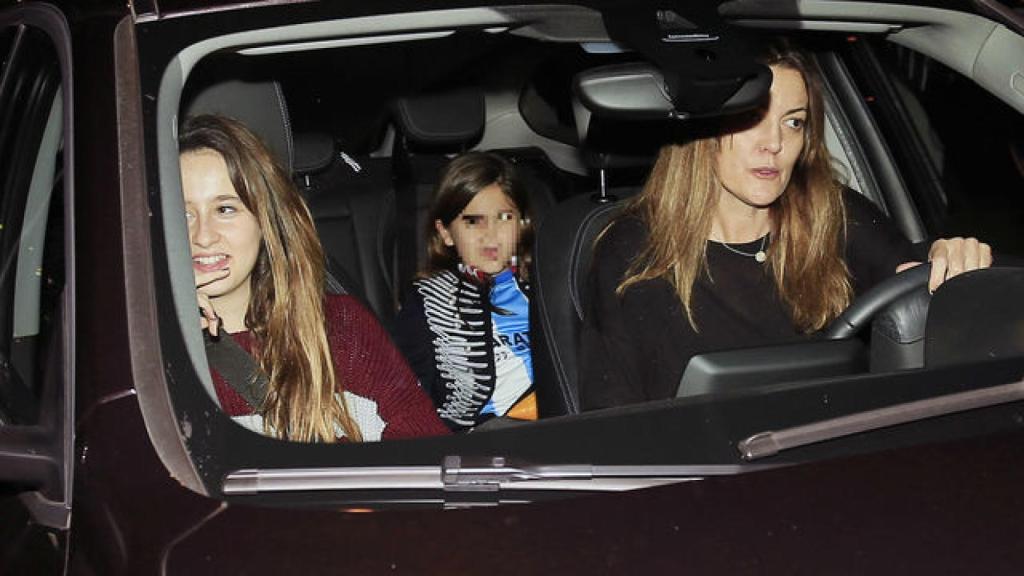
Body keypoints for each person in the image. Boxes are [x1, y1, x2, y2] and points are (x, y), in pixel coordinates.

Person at [578, 40, 993, 410]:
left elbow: (909, 279)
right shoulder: (634, 249)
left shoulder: (831, 215)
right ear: (702, 127)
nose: (774, 143)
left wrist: (946, 257)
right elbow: (613, 418)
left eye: (793, 122)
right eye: (750, 118)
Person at [179, 114, 448, 441]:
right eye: (183, 213)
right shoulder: (143, 351)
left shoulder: (340, 325)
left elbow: (422, 450)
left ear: (264, 221)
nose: (204, 236)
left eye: (225, 209)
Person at [393, 152, 536, 431]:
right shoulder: (429, 303)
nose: (490, 234)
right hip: (480, 443)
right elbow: (406, 396)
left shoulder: (546, 285)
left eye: (504, 217)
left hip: (564, 426)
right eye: (473, 221)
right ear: (446, 233)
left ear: (521, 224)